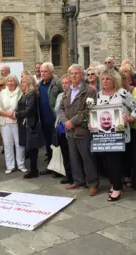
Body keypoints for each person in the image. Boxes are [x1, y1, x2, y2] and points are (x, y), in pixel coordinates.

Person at [95, 69, 136, 200]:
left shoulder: (123, 93)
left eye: (108, 79)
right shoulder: (98, 95)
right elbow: (96, 114)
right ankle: (114, 183)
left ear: (115, 80)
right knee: (106, 161)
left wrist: (131, 118)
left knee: (114, 160)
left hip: (119, 134)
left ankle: (117, 188)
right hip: (103, 135)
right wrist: (92, 123)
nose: (105, 81)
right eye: (103, 79)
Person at [61, 64, 99, 196]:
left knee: (87, 157)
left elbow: (88, 110)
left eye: (76, 73)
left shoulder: (89, 91)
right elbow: (61, 108)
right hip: (70, 130)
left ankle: (93, 183)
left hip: (82, 130)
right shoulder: (67, 90)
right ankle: (78, 180)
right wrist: (65, 121)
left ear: (82, 75)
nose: (73, 76)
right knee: (74, 157)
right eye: (71, 74)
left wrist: (73, 121)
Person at [0, 74, 26, 174]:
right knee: (8, 144)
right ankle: (10, 165)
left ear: (16, 82)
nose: (10, 83)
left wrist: (14, 114)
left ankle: (21, 164)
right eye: (8, 81)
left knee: (19, 144)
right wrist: (9, 114)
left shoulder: (20, 92)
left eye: (12, 81)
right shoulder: (2, 93)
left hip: (17, 121)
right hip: (5, 121)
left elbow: (22, 107)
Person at [37, 62, 63, 175]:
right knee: (48, 144)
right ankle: (50, 166)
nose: (42, 73)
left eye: (45, 71)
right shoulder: (39, 85)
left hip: (54, 119)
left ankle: (59, 168)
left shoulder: (57, 83)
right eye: (41, 71)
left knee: (57, 144)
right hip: (43, 119)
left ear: (52, 72)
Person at [15, 75, 42, 178]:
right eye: (21, 82)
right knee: (30, 148)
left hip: (31, 124)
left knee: (32, 148)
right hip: (25, 124)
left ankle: (34, 170)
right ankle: (33, 169)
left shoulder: (31, 94)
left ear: (29, 83)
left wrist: (17, 114)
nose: (21, 84)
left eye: (24, 82)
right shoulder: (25, 94)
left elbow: (29, 110)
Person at [54, 74, 74, 184]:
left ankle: (76, 175)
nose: (64, 85)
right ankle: (68, 174)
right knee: (64, 152)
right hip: (61, 126)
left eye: (67, 83)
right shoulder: (60, 95)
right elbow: (57, 110)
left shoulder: (74, 95)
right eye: (63, 83)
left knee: (73, 153)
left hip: (71, 126)